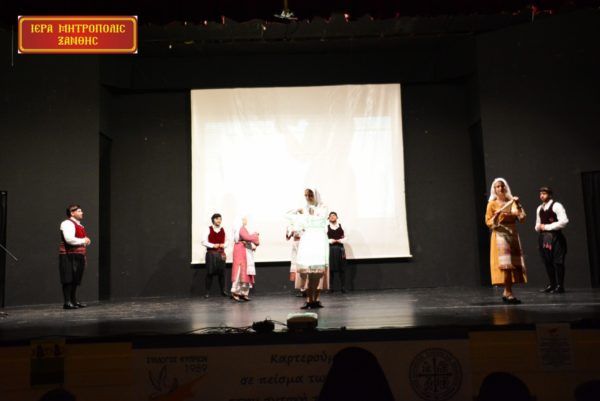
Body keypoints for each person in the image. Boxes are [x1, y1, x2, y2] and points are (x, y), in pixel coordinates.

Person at [485, 178, 527, 304]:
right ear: (494, 189)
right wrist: (497, 215)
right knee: (506, 265)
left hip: (512, 234)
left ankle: (507, 291)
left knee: (513, 264)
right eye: (497, 186)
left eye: (502, 186)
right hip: (500, 235)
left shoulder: (511, 202)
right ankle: (508, 292)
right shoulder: (492, 204)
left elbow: (522, 218)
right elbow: (488, 222)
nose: (500, 188)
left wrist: (518, 204)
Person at [287, 188, 329, 309]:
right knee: (308, 273)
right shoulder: (304, 208)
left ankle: (316, 299)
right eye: (306, 195)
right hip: (308, 241)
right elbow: (289, 216)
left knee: (318, 273)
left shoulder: (322, 207)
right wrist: (298, 211)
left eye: (310, 195)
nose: (307, 198)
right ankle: (309, 300)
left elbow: (320, 220)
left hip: (318, 240)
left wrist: (309, 214)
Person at [535, 186, 569, 293]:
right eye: (541, 194)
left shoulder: (556, 205)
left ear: (550, 195)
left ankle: (560, 286)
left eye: (544, 193)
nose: (542, 196)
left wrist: (546, 226)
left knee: (558, 262)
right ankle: (552, 284)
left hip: (556, 237)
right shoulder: (539, 208)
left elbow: (564, 221)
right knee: (547, 262)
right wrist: (538, 227)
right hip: (544, 238)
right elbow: (537, 224)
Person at [59, 204, 91, 309]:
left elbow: (80, 239)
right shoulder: (67, 223)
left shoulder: (80, 225)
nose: (82, 213)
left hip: (78, 254)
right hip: (69, 255)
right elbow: (69, 239)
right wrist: (83, 240)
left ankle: (73, 300)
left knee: (75, 278)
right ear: (72, 213)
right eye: (79, 211)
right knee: (68, 278)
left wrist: (86, 241)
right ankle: (67, 302)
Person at [231, 216, 260, 302]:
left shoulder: (242, 228)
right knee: (240, 271)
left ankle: (243, 292)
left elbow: (246, 239)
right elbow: (247, 237)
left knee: (245, 271)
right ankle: (236, 292)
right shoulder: (241, 228)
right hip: (240, 251)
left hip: (243, 249)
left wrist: (251, 244)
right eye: (244, 219)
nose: (246, 220)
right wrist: (255, 235)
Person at [201, 213, 228, 298]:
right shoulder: (208, 229)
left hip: (221, 254)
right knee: (209, 273)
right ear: (213, 220)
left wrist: (224, 245)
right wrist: (213, 245)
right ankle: (207, 292)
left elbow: (228, 241)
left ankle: (223, 291)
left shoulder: (223, 229)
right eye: (217, 219)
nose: (219, 220)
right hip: (211, 254)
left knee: (222, 273)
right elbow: (203, 241)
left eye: (220, 219)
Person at [327, 211, 347, 293]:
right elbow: (324, 238)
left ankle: (343, 287)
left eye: (334, 215)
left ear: (337, 217)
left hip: (340, 248)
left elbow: (346, 237)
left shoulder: (341, 226)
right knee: (330, 269)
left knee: (342, 268)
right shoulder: (326, 227)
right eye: (330, 216)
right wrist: (331, 241)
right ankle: (330, 288)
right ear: (328, 218)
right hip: (331, 248)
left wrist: (340, 240)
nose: (332, 217)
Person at [286, 225, 305, 297]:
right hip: (295, 246)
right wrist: (288, 232)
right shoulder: (292, 225)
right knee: (296, 268)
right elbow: (288, 237)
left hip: (302, 244)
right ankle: (302, 289)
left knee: (303, 266)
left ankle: (305, 289)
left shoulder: (303, 224)